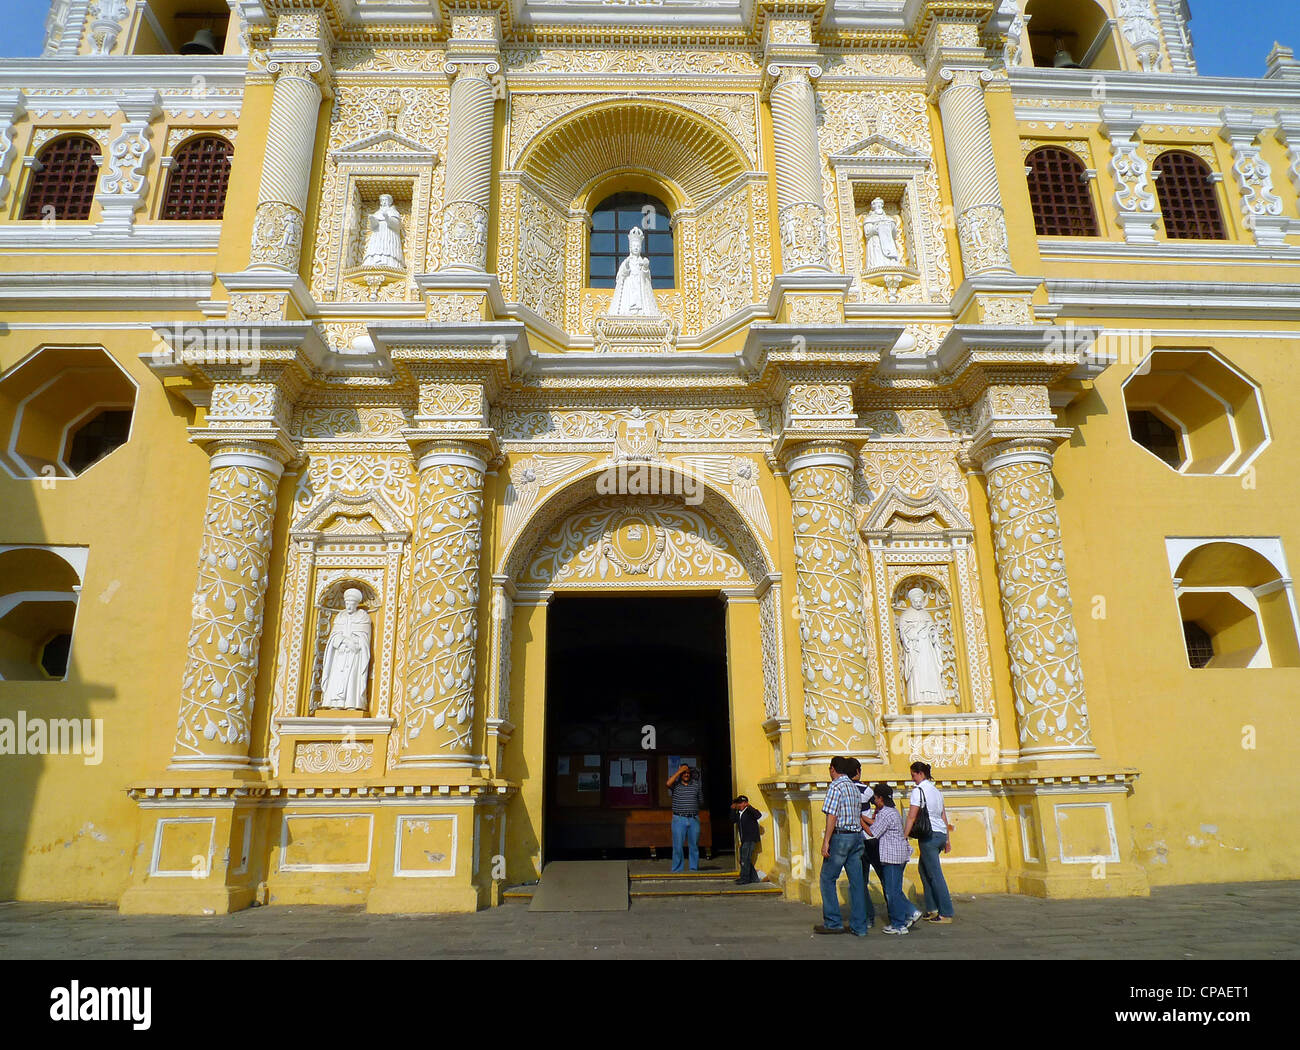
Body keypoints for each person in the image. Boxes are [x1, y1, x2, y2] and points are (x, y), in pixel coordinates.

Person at [815, 756, 868, 936]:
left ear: (832, 769)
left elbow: (832, 816)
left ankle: (833, 922)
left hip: (841, 837)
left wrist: (826, 841)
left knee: (827, 878)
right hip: (856, 837)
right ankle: (860, 926)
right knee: (857, 882)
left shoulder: (836, 786)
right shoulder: (853, 787)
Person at [864, 783, 920, 935]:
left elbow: (873, 832)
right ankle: (909, 912)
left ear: (880, 798)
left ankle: (899, 924)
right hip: (898, 855)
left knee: (891, 892)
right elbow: (878, 825)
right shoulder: (892, 811)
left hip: (892, 857)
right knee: (894, 889)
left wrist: (860, 820)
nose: (874, 801)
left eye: (875, 798)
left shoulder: (885, 813)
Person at [904, 760, 955, 923]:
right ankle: (932, 908)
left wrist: (904, 836)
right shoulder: (936, 791)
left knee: (934, 874)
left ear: (920, 774)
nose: (913, 779)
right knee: (924, 870)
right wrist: (947, 839)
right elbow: (943, 816)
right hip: (939, 833)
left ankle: (946, 912)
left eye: (913, 775)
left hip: (929, 835)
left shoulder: (918, 791)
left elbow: (912, 816)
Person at [319, 588, 372, 711]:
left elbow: (365, 638)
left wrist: (355, 643)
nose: (349, 606)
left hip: (354, 655)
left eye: (351, 604)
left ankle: (352, 703)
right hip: (340, 654)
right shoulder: (340, 617)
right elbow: (333, 637)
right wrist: (343, 640)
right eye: (347, 603)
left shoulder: (363, 617)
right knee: (337, 677)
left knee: (352, 678)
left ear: (356, 604)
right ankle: (335, 703)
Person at [666, 763, 703, 873]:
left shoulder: (696, 785)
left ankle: (693, 868)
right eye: (684, 773)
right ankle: (677, 869)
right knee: (677, 846)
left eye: (687, 773)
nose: (686, 775)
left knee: (694, 846)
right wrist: (679, 771)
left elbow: (701, 801)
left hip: (693, 819)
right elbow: (667, 783)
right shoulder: (675, 785)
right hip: (679, 819)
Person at [731, 795, 762, 885]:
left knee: (745, 858)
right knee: (744, 859)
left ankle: (745, 878)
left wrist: (749, 806)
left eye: (740, 803)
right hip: (744, 839)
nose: (738, 805)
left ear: (745, 803)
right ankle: (753, 878)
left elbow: (758, 815)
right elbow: (732, 819)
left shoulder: (749, 811)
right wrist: (733, 810)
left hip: (750, 838)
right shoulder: (739, 813)